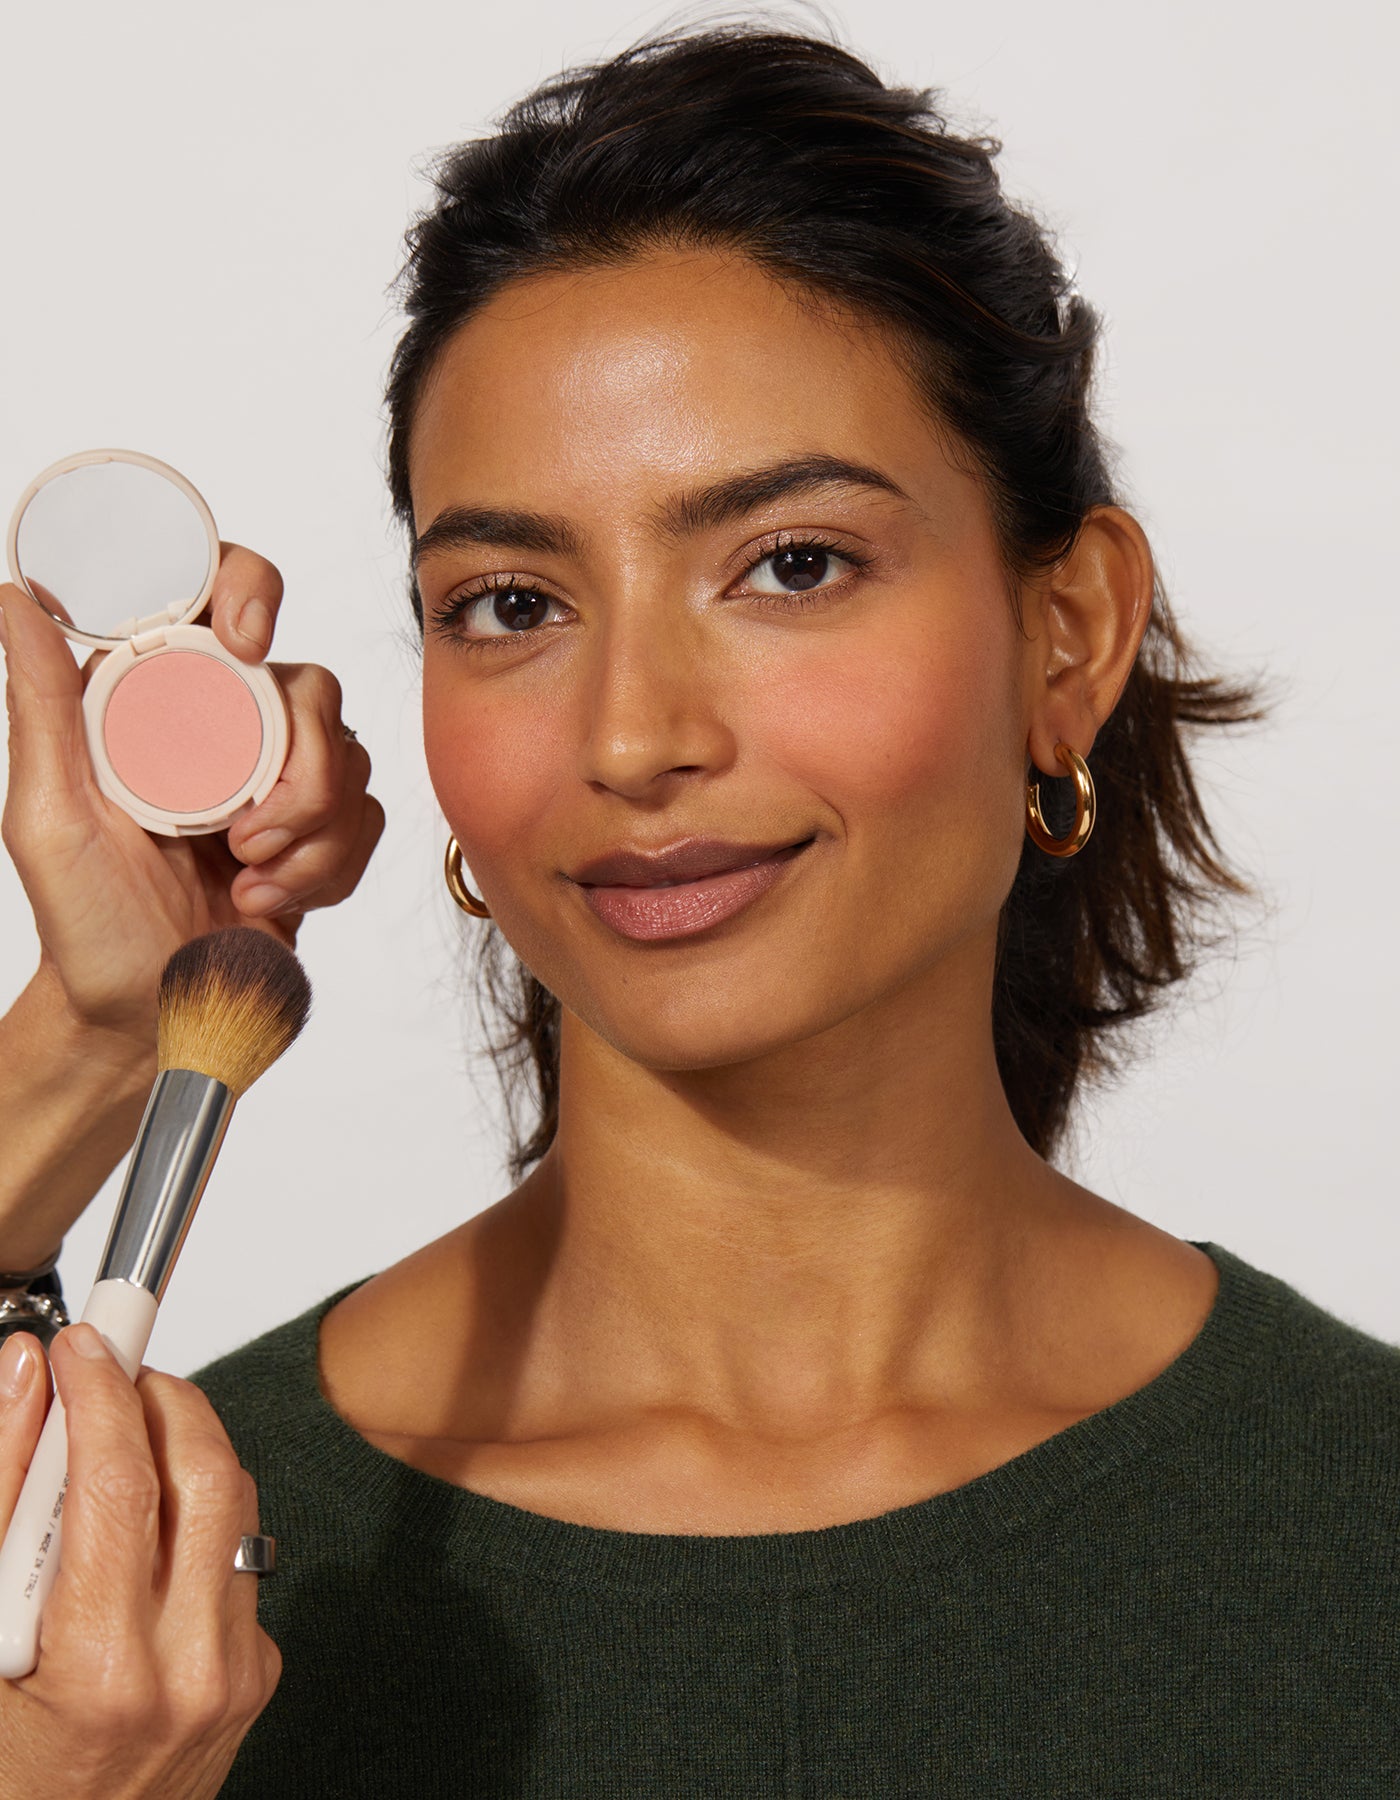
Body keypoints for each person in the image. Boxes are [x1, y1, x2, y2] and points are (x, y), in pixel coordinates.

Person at [0, 23, 1395, 1798]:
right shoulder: (138, 1608)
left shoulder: (1355, 1533)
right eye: (510, 603)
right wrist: (106, 1031)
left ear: (1072, 634)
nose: (634, 735)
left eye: (792, 564)